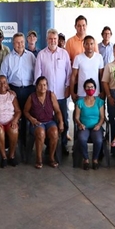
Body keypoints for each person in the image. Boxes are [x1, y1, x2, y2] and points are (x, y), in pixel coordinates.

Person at [34, 28, 71, 156]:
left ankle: (63, 145)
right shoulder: (41, 55)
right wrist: (39, 93)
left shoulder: (64, 54)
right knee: (48, 122)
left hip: (61, 94)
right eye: (50, 39)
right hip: (46, 96)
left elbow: (69, 73)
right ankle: (49, 148)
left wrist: (68, 87)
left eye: (55, 39)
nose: (53, 41)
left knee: (64, 121)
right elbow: (37, 75)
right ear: (46, 40)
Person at [0, 32, 36, 142]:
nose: (19, 44)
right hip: (14, 91)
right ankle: (15, 141)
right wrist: (9, 90)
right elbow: (3, 77)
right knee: (14, 117)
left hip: (29, 90)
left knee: (28, 117)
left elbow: (36, 73)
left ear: (24, 42)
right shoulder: (8, 58)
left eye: (21, 42)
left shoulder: (31, 56)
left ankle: (27, 143)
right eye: (17, 43)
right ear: (13, 44)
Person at [24, 76, 64, 169]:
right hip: (37, 122)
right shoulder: (32, 97)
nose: (43, 87)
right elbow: (25, 111)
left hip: (49, 121)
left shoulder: (51, 95)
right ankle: (39, 159)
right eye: (40, 85)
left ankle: (51, 158)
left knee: (54, 133)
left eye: (45, 85)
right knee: (41, 133)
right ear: (36, 86)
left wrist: (61, 122)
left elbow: (57, 111)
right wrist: (31, 119)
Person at [0, 75, 21, 168]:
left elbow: (18, 111)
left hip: (10, 121)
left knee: (14, 130)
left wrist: (15, 120)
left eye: (4, 82)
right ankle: (4, 157)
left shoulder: (12, 95)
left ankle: (12, 156)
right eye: (0, 83)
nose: (2, 85)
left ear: (7, 84)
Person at [74, 78, 105, 170]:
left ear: (95, 89)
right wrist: (80, 124)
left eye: (92, 87)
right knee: (82, 138)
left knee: (99, 140)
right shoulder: (80, 102)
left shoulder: (99, 101)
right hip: (84, 126)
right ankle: (86, 159)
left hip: (96, 126)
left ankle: (95, 159)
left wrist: (99, 125)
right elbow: (76, 117)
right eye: (87, 87)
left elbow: (102, 117)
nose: (90, 89)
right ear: (84, 89)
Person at [70, 35, 104, 102]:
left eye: (91, 44)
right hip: (81, 94)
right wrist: (72, 92)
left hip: (96, 93)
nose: (89, 46)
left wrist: (103, 91)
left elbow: (102, 76)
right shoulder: (78, 58)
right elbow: (73, 76)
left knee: (96, 112)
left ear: (94, 45)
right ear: (84, 45)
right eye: (87, 44)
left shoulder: (99, 57)